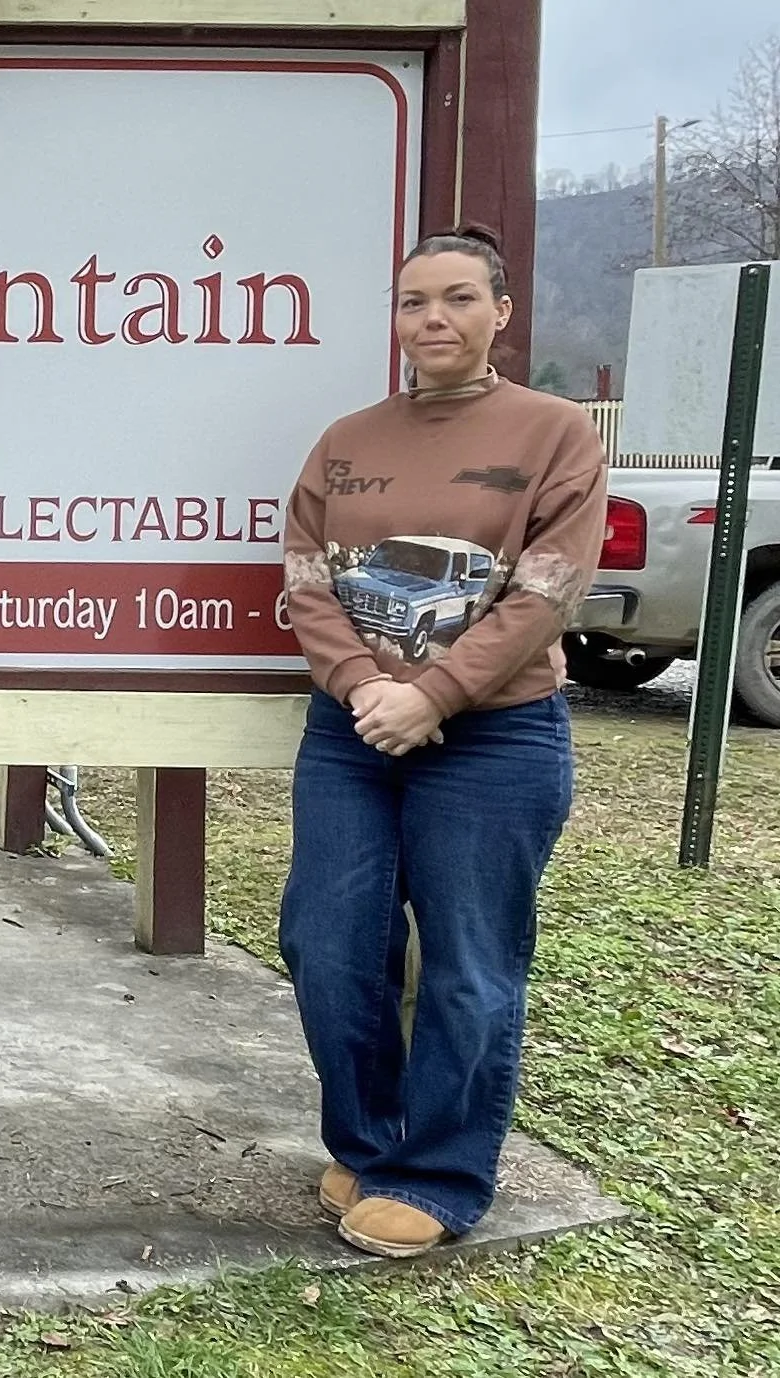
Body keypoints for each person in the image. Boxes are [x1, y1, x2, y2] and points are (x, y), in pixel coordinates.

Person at [278, 224, 606, 1258]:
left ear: (499, 312)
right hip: (352, 732)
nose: (434, 319)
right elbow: (306, 579)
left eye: (459, 298)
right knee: (327, 944)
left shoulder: (554, 433)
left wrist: (436, 695)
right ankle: (369, 1143)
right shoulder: (348, 440)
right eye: (414, 301)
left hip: (494, 737)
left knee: (469, 962)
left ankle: (439, 1174)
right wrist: (365, 683)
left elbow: (548, 591)